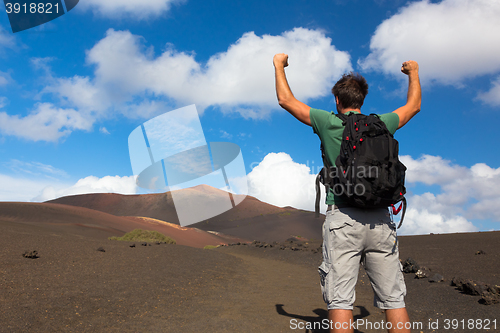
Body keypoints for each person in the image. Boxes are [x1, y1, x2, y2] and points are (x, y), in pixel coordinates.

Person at [273, 53, 421, 333]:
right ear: (361, 100)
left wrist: (279, 65)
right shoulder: (381, 124)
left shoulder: (327, 122)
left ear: (337, 101)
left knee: (340, 300)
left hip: (343, 219)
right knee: (394, 300)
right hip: (381, 220)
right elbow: (413, 106)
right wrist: (413, 71)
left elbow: (286, 101)